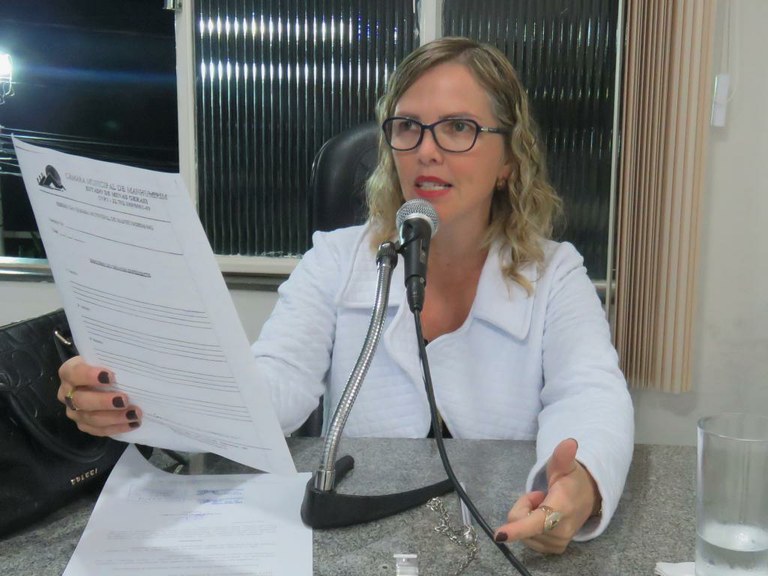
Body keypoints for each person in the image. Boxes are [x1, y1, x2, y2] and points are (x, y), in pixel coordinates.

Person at [58, 37, 634, 555]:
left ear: (508, 160)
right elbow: (273, 384)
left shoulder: (554, 272)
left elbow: (590, 394)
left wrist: (578, 484)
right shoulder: (337, 259)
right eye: (407, 126)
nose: (426, 150)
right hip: (357, 536)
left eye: (459, 127)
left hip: (496, 526)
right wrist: (139, 396)